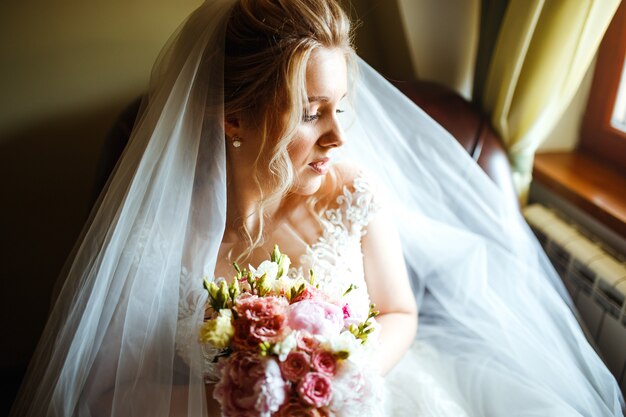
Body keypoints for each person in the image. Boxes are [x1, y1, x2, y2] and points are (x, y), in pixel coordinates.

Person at [10, 0, 625, 416]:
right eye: (311, 113)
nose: (338, 135)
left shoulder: (353, 192)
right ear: (233, 118)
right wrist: (238, 394)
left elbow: (399, 312)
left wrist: (338, 383)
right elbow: (106, 389)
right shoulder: (163, 225)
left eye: (339, 105)